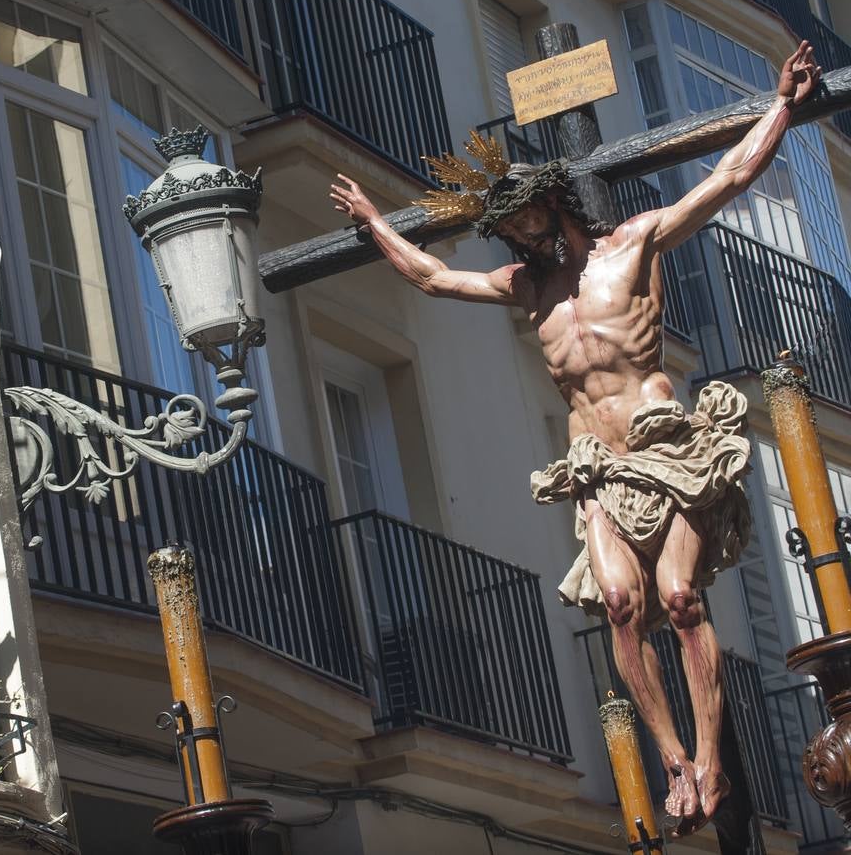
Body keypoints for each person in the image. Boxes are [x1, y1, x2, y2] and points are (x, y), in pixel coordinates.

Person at [329, 42, 822, 836]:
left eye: (525, 218)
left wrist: (784, 107)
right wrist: (377, 224)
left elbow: (727, 178)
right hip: (596, 464)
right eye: (510, 229)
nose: (520, 236)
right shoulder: (526, 288)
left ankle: (711, 758)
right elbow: (432, 278)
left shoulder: (631, 246)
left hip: (663, 446)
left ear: (554, 204)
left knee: (679, 598)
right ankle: (670, 758)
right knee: (622, 606)